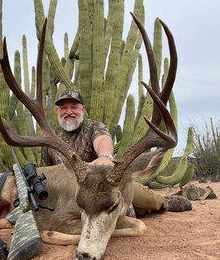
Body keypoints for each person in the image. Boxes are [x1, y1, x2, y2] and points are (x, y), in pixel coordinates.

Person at [41, 89, 192, 215]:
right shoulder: (50, 138)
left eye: (74, 107)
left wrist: (105, 156)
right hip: (69, 193)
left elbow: (102, 139)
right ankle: (128, 210)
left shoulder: (93, 127)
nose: (69, 112)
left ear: (83, 110)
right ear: (58, 111)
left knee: (131, 189)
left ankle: (163, 202)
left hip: (103, 185)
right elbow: (46, 172)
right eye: (64, 108)